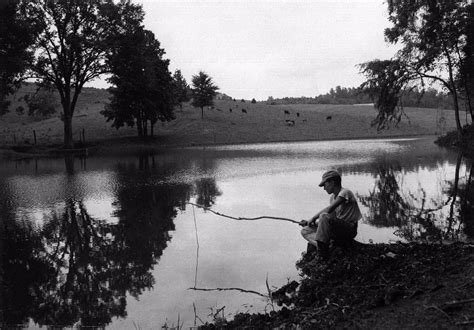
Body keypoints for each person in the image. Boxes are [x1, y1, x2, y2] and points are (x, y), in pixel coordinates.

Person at [300, 170, 362, 260]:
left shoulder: (345, 192)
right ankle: (328, 246)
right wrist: (311, 223)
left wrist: (313, 218)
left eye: (325, 185)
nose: (324, 188)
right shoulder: (332, 198)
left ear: (332, 182)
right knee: (305, 230)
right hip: (338, 229)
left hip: (349, 229)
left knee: (323, 216)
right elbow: (330, 219)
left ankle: (323, 253)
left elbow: (328, 210)